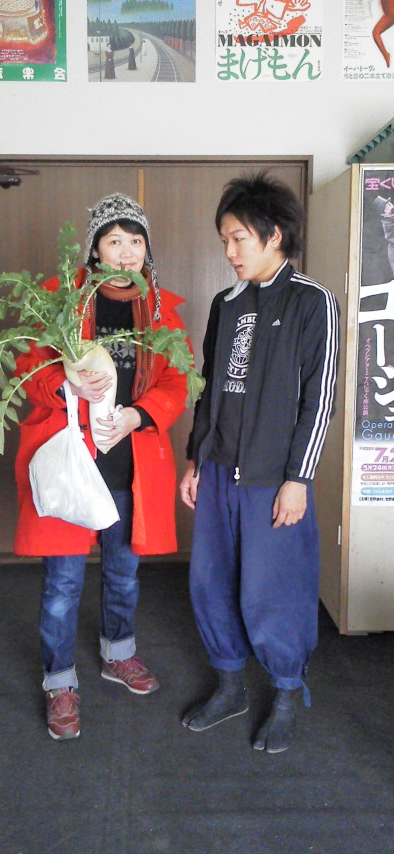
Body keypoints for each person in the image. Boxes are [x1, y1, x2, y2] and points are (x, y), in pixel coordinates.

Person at [14, 194, 189, 740]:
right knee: (63, 583)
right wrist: (66, 383)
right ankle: (59, 682)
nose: (127, 251)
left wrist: (139, 415)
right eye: (114, 240)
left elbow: (175, 381)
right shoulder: (60, 301)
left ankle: (118, 653)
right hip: (75, 463)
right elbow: (28, 368)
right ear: (94, 249)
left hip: (129, 468)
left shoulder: (159, 309)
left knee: (123, 572)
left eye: (136, 241)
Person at [180, 173, 339, 754]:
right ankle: (229, 686)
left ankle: (286, 691)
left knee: (274, 591)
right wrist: (195, 458)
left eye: (238, 238)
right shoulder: (226, 304)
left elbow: (319, 398)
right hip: (219, 472)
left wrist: (299, 479)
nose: (229, 251)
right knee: (211, 582)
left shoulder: (312, 301)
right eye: (224, 240)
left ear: (274, 235)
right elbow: (209, 390)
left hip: (274, 481)